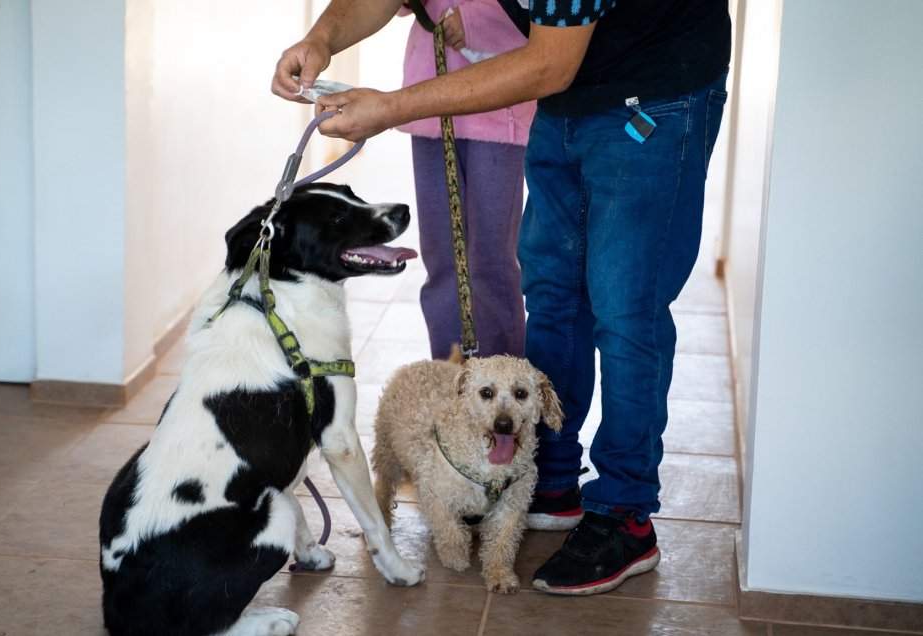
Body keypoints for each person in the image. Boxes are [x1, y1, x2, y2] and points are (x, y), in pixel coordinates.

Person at [273, 0, 731, 596]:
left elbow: (549, 64)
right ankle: (553, 474)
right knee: (552, 292)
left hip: (653, 89)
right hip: (570, 96)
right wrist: (322, 37)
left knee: (625, 309)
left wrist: (389, 108)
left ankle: (626, 512)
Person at [395, 0, 535, 359]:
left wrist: (476, 21)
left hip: (500, 110)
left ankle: (500, 388)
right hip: (429, 105)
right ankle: (449, 380)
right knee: (441, 257)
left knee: (490, 261)